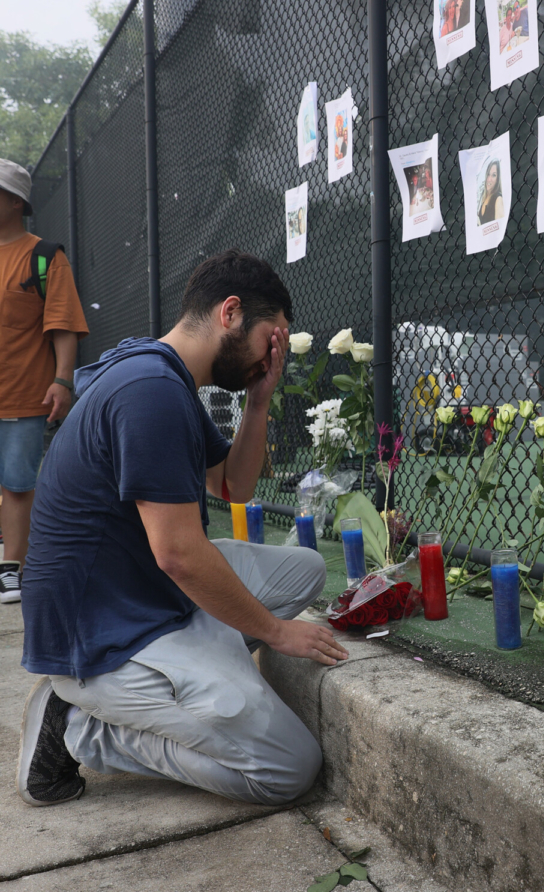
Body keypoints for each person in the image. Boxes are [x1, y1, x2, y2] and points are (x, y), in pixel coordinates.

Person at [16, 249, 348, 808]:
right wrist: (273, 631)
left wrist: (260, 401)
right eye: (272, 338)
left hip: (140, 592)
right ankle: (81, 726)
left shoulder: (163, 374)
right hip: (102, 635)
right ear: (231, 312)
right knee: (289, 768)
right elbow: (178, 554)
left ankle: (199, 660)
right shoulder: (149, 391)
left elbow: (232, 486)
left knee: (306, 570)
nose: (273, 355)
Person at [0, 158, 89, 605]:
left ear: (15, 201)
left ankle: (10, 569)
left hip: (21, 394)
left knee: (17, 482)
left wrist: (62, 381)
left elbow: (63, 324)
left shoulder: (45, 256)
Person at [477, 159, 504, 224]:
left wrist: (479, 225)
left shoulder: (498, 199)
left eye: (493, 175)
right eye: (488, 174)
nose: (489, 179)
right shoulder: (483, 196)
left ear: (498, 179)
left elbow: (499, 228)